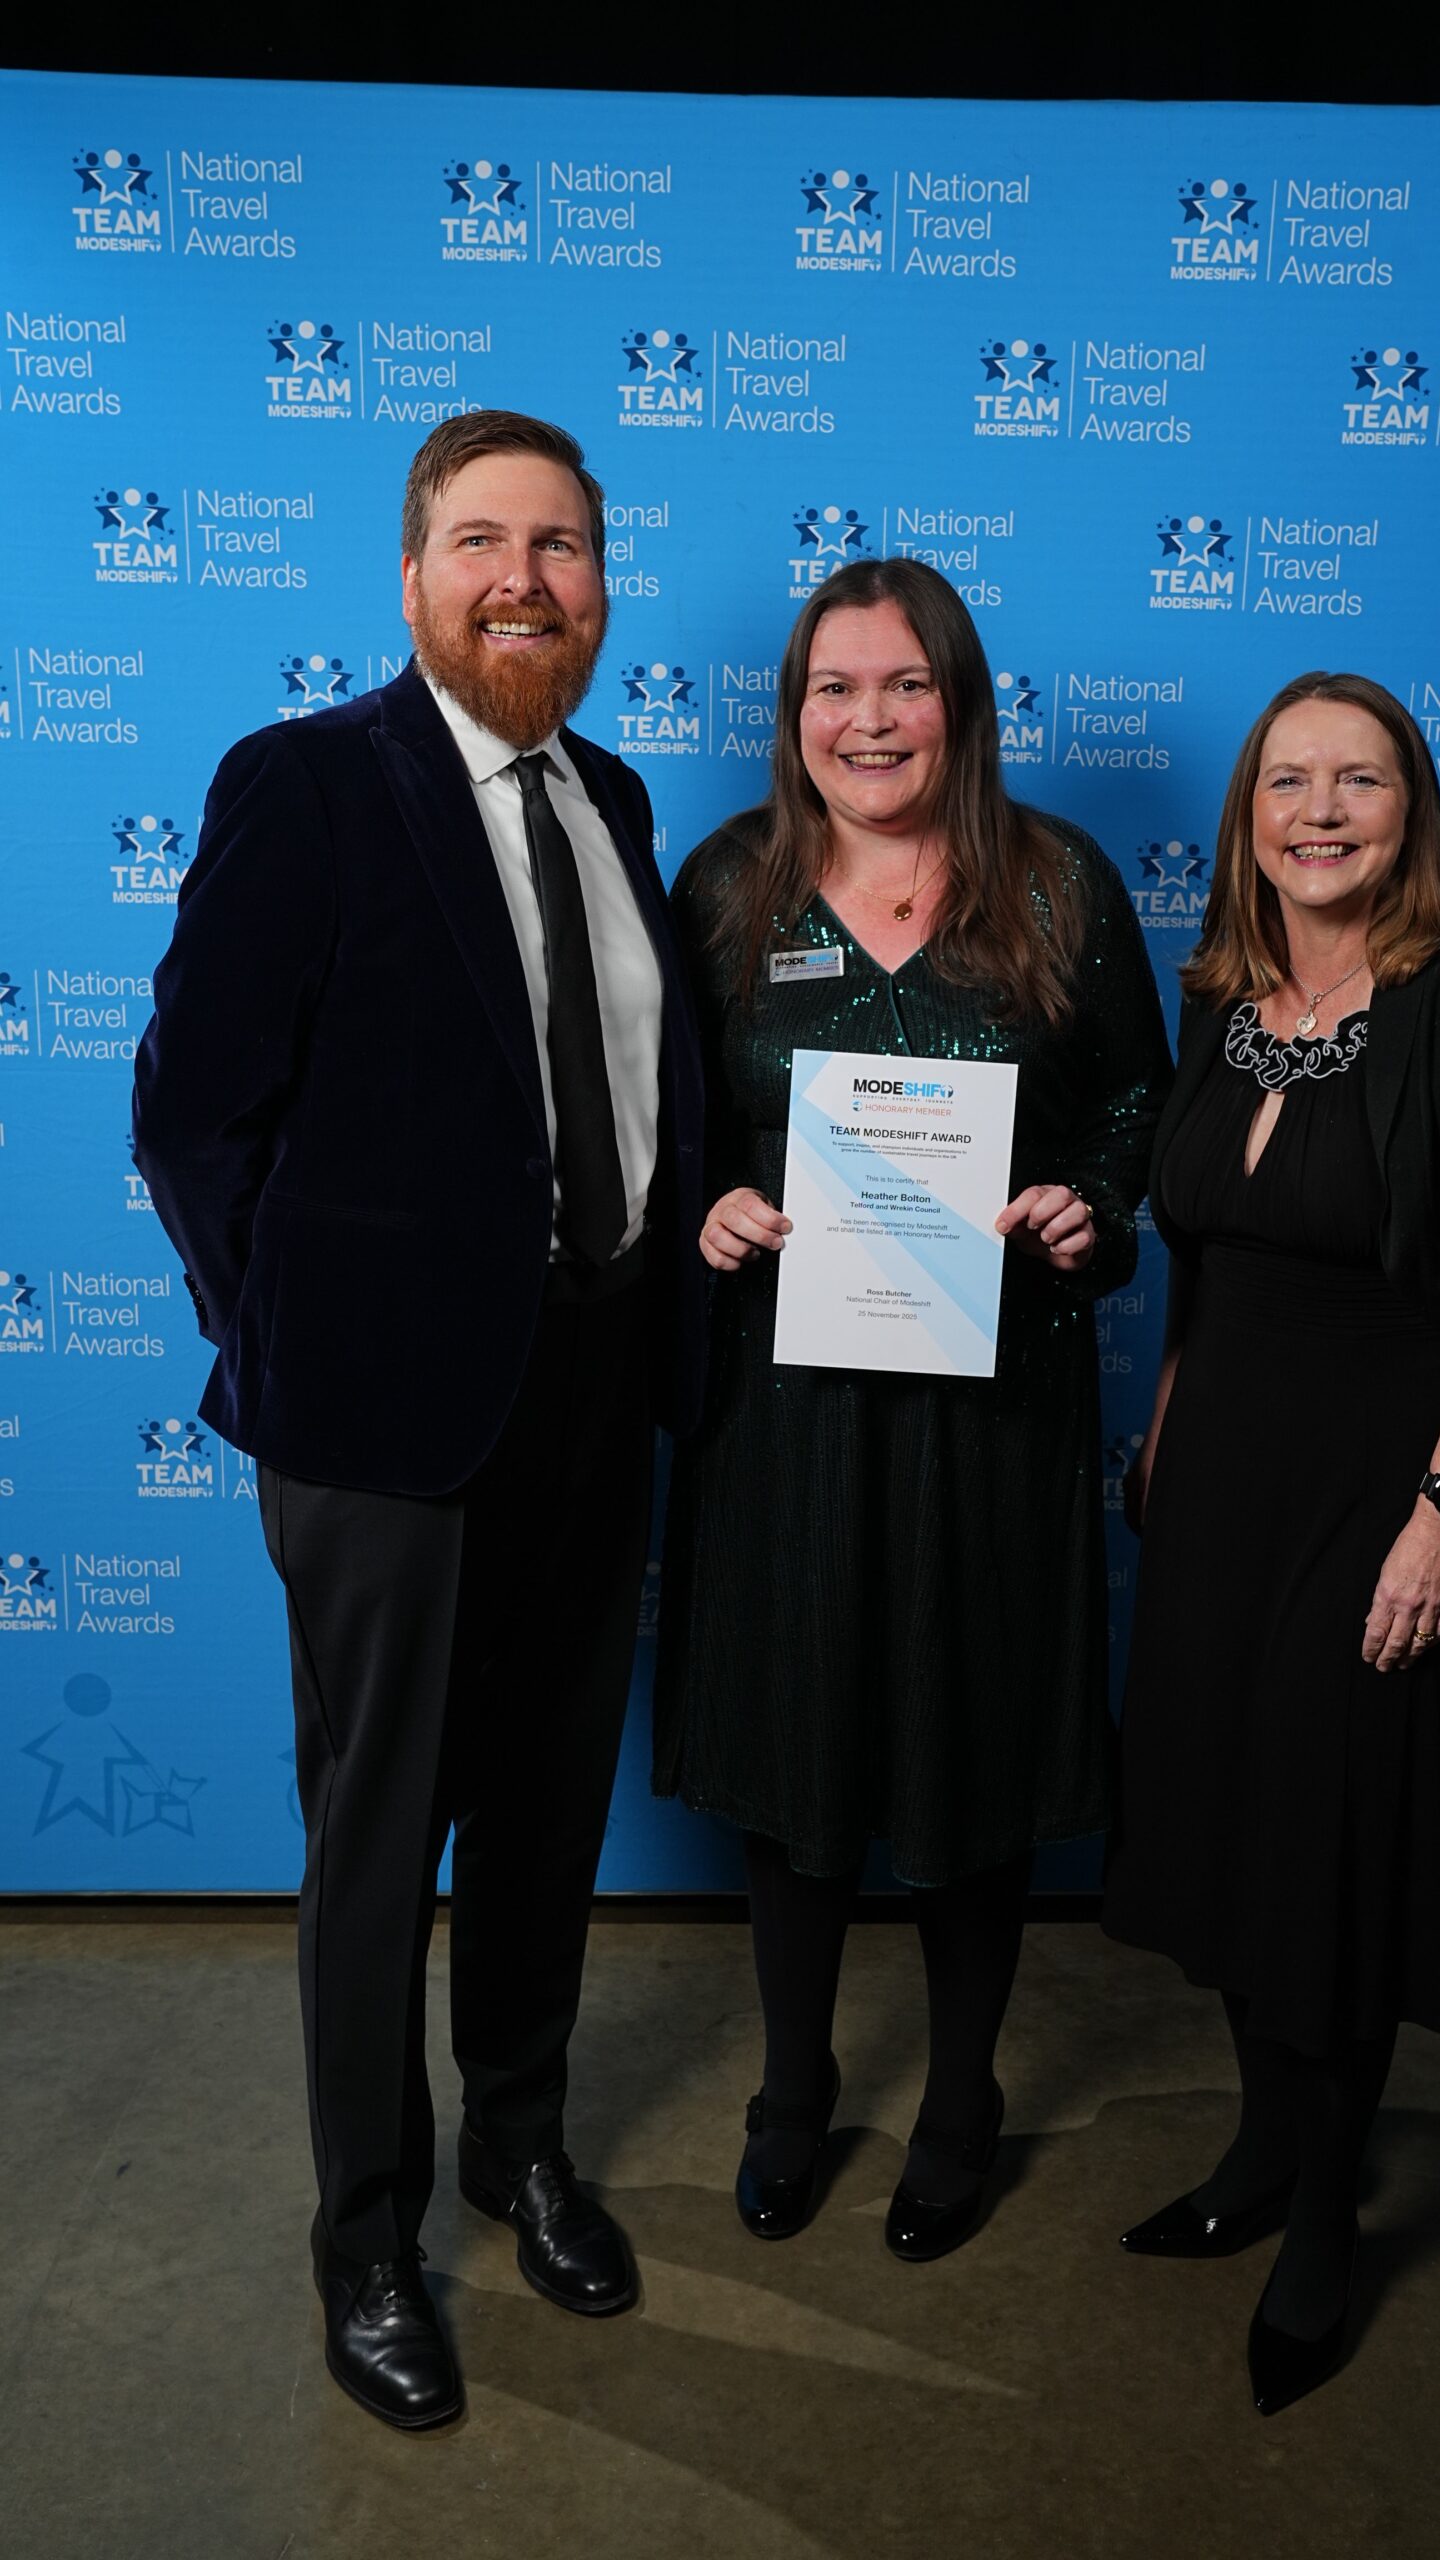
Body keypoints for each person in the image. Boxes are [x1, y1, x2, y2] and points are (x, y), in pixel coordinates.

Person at [132, 412, 704, 2430]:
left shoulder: (617, 799)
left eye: (559, 546)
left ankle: (517, 2144)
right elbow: (192, 1106)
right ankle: (364, 2233)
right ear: (410, 574)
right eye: (481, 540)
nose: (522, 578)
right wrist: (284, 1347)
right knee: (378, 1838)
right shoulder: (310, 783)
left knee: (548, 1810)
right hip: (376, 1426)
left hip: (591, 1388)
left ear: (599, 585)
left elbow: (636, 1095)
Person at [654, 557, 1171, 2261]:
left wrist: (1090, 1209)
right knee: (798, 1750)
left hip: (994, 1403)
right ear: (792, 713)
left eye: (904, 685)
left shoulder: (1060, 884)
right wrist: (712, 1205)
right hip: (785, 1407)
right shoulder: (729, 885)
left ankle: (961, 2103)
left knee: (967, 1743)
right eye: (833, 688)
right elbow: (666, 1127)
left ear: (959, 700)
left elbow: (1136, 1105)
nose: (867, 720)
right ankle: (789, 2094)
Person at [1103, 670, 1440, 2415]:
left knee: (1333, 1838)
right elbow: (1205, 1258)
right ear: (1247, 820)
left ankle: (1323, 2224)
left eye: (1358, 783)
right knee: (1230, 1821)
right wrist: (1159, 1431)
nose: (1320, 812)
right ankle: (1260, 2151)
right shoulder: (1220, 1001)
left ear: (1410, 813)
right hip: (1220, 1482)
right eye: (1286, 783)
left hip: (1389, 1491)